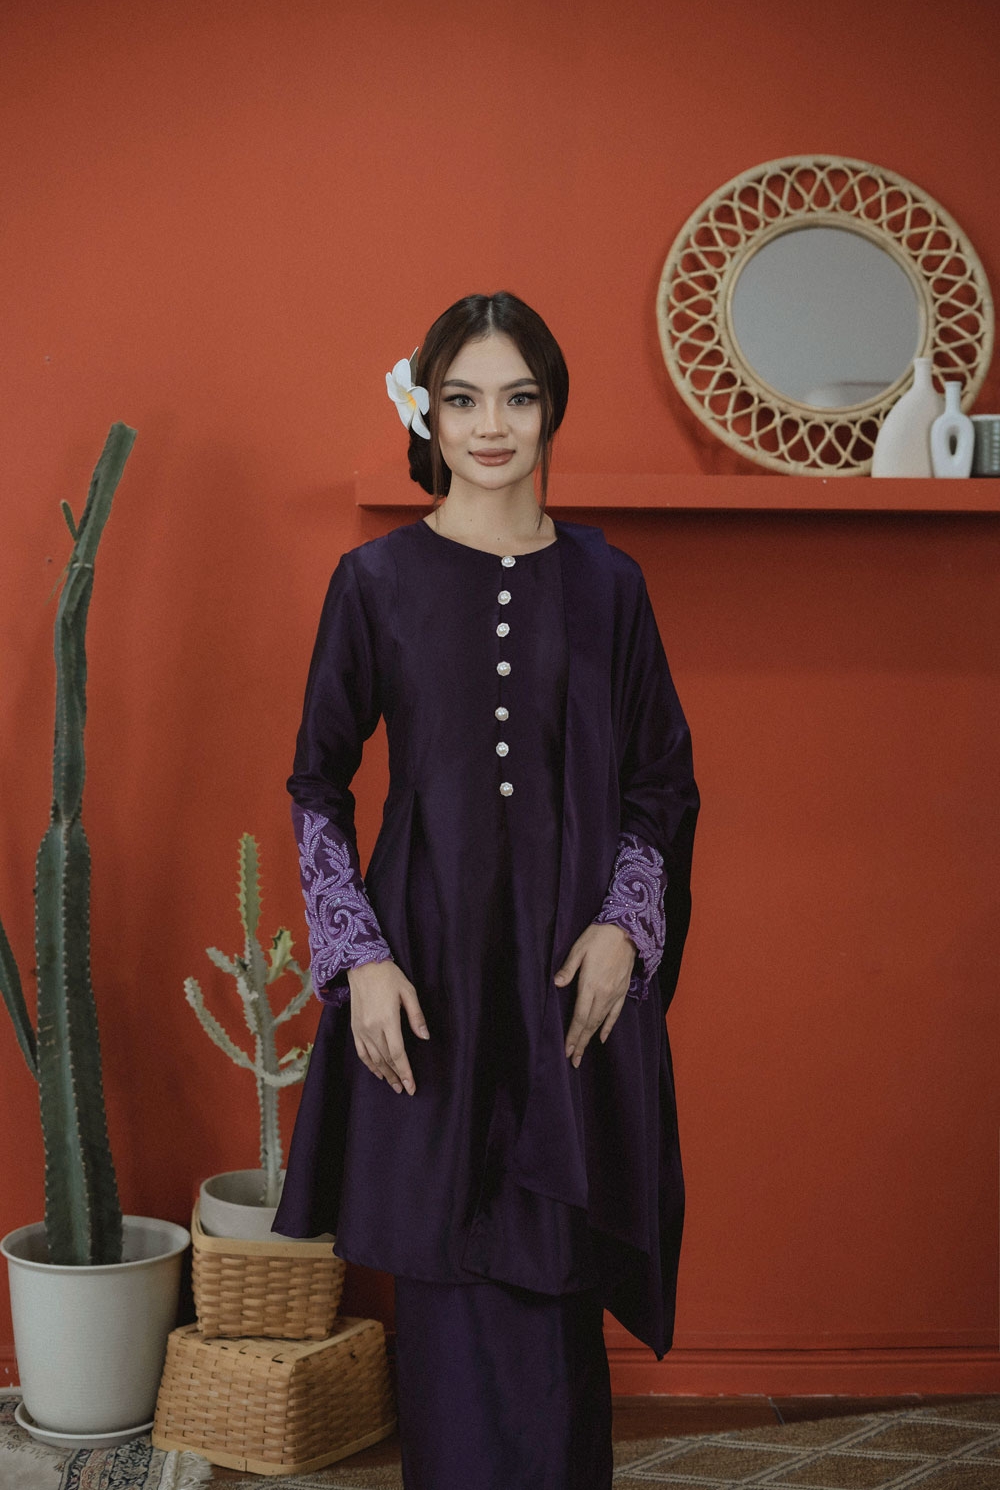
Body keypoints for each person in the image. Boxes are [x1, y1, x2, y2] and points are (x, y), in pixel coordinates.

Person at [273, 292, 699, 1490]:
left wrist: (625, 929)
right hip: (430, 982)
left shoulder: (610, 587)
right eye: (463, 399)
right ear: (429, 413)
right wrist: (359, 957)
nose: (492, 425)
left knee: (555, 1270)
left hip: (566, 985)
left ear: (551, 407)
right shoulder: (375, 581)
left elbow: (660, 784)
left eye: (517, 397)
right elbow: (317, 783)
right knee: (447, 1273)